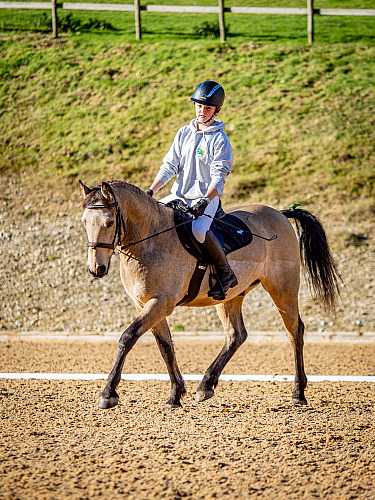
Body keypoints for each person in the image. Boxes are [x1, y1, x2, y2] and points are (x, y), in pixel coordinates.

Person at [146, 80, 237, 299]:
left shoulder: (219, 139)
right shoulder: (183, 133)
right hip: (179, 195)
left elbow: (219, 176)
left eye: (207, 108)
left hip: (205, 198)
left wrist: (205, 201)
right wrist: (151, 191)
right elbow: (169, 166)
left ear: (216, 110)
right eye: (199, 106)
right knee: (153, 219)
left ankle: (225, 273)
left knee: (198, 230)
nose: (202, 111)